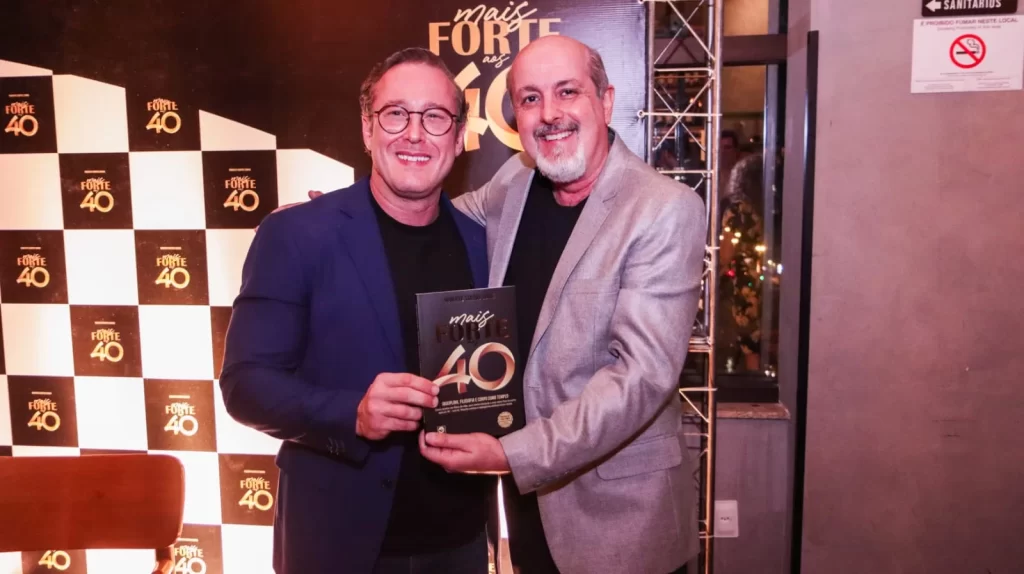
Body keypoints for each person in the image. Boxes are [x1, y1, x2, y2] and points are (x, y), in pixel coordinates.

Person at [295, 36, 705, 574]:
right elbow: (426, 215)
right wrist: (333, 217)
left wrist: (513, 454)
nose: (549, 113)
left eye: (567, 92)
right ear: (515, 117)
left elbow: (641, 378)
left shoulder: (663, 209)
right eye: (530, 98)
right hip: (528, 514)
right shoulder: (516, 181)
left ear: (605, 101)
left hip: (620, 519)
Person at [219, 48, 495, 574]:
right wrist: (352, 413)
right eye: (395, 114)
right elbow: (244, 386)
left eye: (435, 117)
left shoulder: (484, 244)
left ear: (459, 137)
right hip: (335, 543)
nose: (414, 134)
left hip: (460, 542)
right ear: (367, 129)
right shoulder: (296, 234)